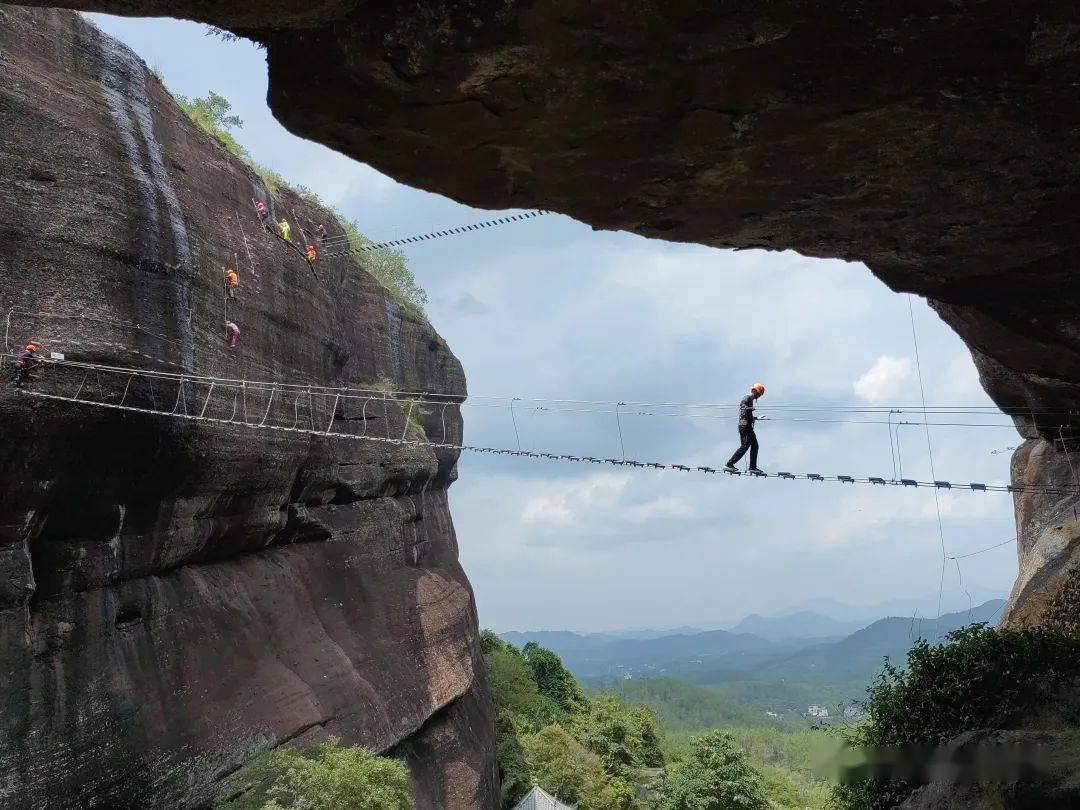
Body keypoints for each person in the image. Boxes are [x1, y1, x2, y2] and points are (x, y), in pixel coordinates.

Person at [724, 383, 766, 474]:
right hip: (744, 426)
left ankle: (752, 467)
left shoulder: (750, 400)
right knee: (745, 446)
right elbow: (742, 406)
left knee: (755, 445)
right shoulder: (747, 398)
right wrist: (748, 408)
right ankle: (729, 464)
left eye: (759, 394)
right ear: (754, 391)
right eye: (758, 393)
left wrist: (755, 418)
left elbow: (747, 414)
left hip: (747, 426)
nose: (758, 395)